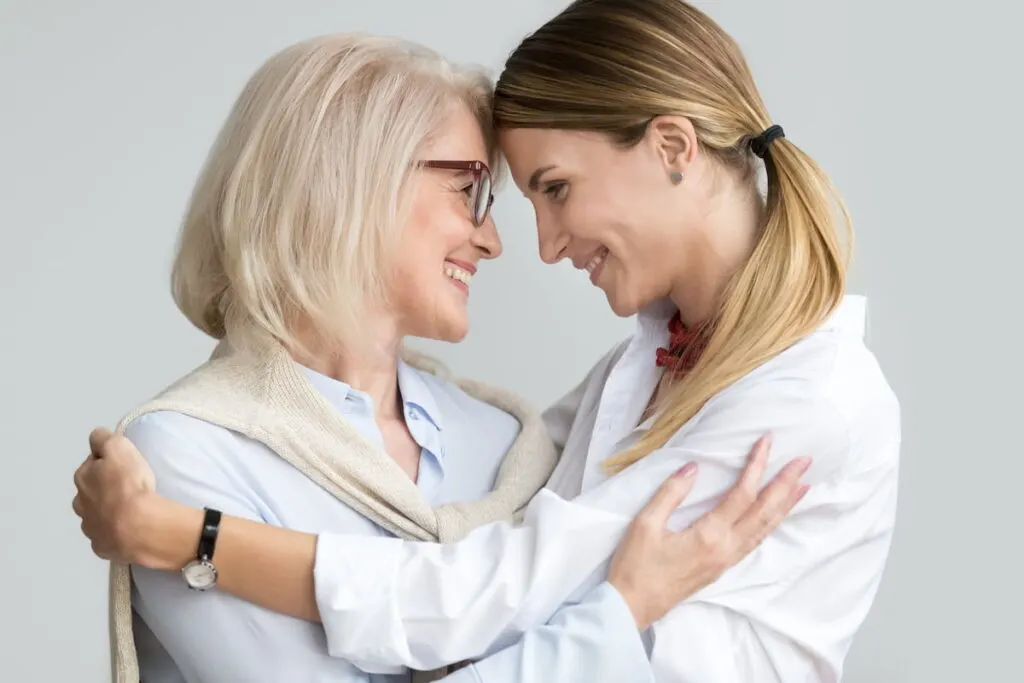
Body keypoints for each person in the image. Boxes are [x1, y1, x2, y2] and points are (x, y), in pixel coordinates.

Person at [71, 29, 808, 683]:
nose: (495, 240)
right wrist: (619, 616)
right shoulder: (181, 458)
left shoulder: (509, 442)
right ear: (350, 180)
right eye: (469, 190)